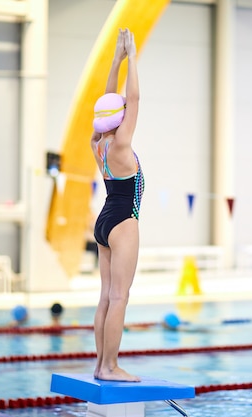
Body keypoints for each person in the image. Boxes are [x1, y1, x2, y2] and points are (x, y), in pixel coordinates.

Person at [90, 28, 143, 382]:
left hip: (104, 220)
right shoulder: (120, 146)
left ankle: (99, 364)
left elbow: (111, 99)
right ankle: (110, 366)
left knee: (106, 297)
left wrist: (115, 60)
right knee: (120, 297)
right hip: (124, 221)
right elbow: (133, 99)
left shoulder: (97, 143)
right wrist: (133, 58)